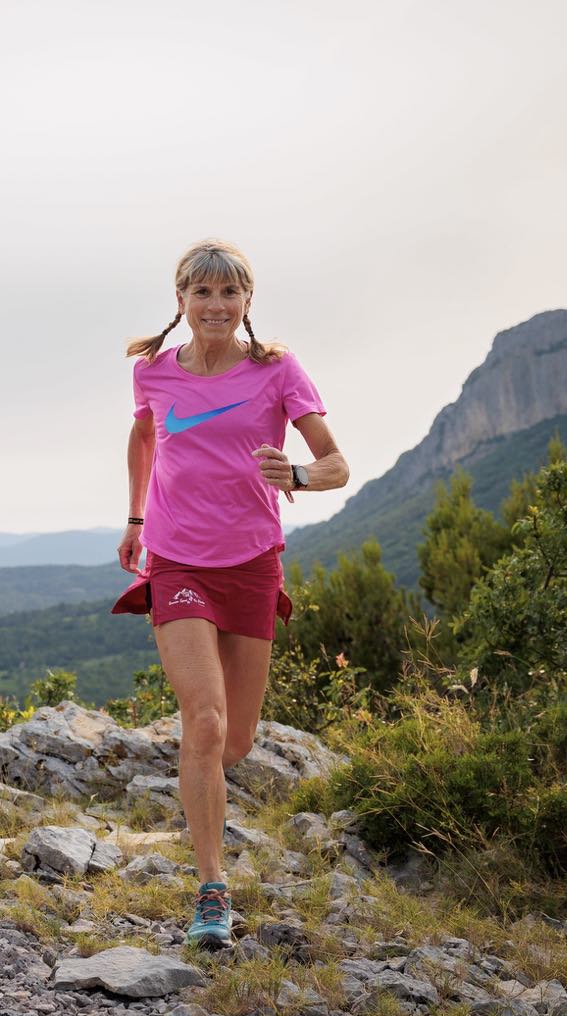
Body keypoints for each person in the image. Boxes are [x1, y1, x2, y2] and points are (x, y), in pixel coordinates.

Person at [110, 238, 349, 949]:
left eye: (229, 294)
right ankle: (213, 891)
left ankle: (195, 778)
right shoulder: (153, 372)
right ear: (180, 300)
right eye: (202, 293)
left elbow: (336, 464)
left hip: (252, 564)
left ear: (247, 302)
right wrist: (135, 518)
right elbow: (143, 440)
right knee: (206, 721)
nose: (215, 306)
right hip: (178, 560)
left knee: (233, 741)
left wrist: (297, 477)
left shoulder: (278, 371)